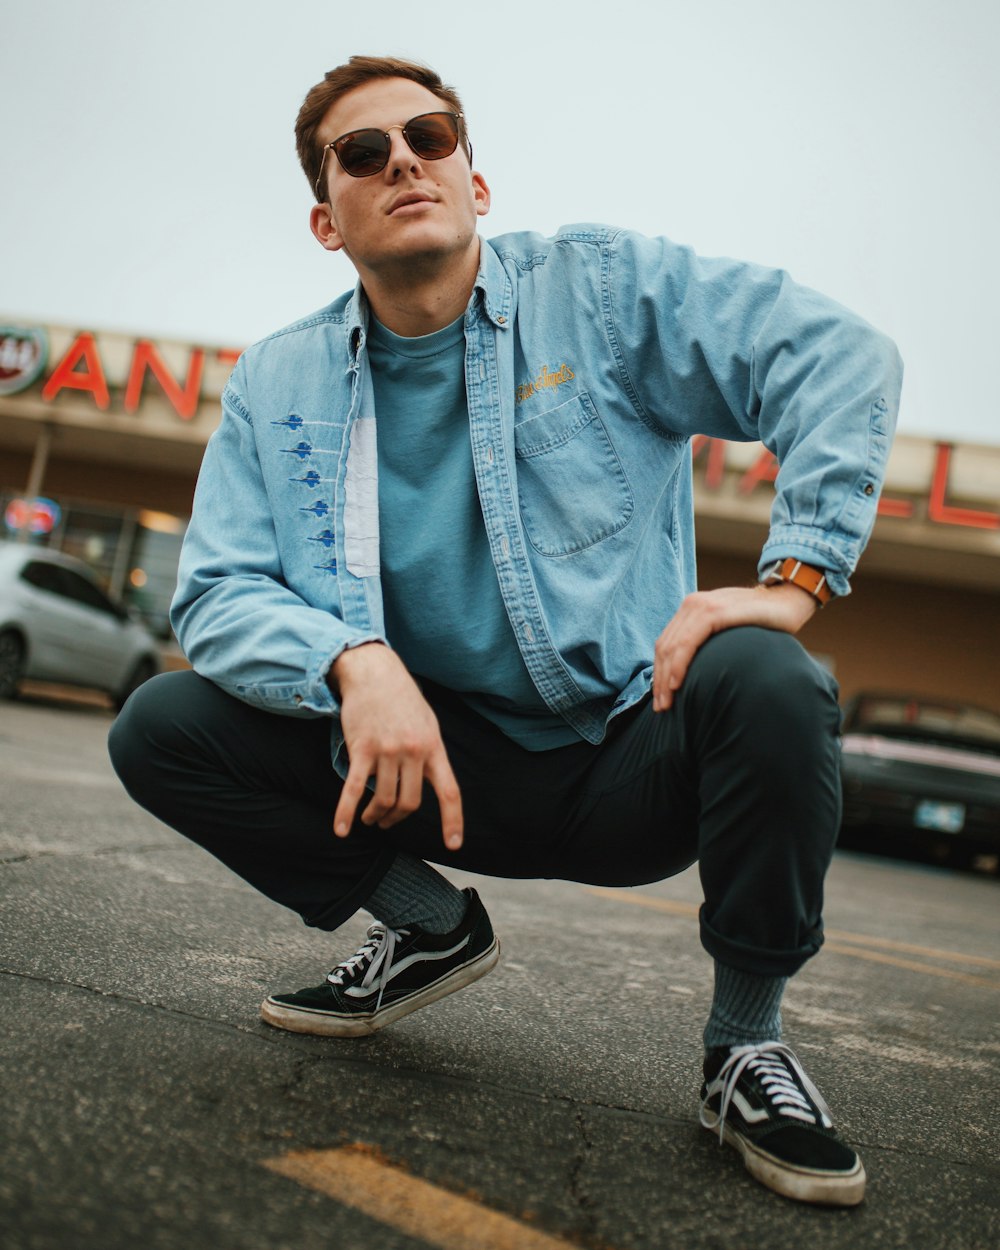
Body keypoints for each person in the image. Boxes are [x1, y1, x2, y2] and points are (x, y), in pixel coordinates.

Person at [109, 54, 903, 1208]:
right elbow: (219, 589)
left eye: (429, 137)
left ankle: (744, 1047)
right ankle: (428, 928)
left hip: (630, 755)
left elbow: (839, 354)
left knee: (772, 676)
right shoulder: (278, 380)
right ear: (327, 220)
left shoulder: (600, 289)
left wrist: (791, 578)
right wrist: (351, 658)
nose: (405, 163)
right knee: (161, 723)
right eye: (364, 153)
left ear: (476, 182)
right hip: (427, 767)